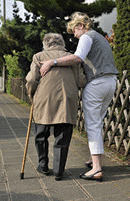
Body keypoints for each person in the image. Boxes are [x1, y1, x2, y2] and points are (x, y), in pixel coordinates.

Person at [39, 12, 119, 182]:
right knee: (99, 120)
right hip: (111, 81)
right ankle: (93, 159)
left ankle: (97, 168)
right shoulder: (100, 37)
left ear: (81, 26)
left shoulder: (87, 37)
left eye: (74, 30)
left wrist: (51, 62)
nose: (73, 35)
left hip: (96, 83)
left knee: (92, 124)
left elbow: (77, 58)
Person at [26, 33, 87, 181]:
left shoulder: (38, 57)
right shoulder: (73, 58)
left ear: (45, 44)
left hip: (44, 101)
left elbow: (32, 79)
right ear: (62, 43)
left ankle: (43, 166)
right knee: (62, 138)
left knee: (41, 135)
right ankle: (59, 171)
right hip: (66, 100)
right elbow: (81, 81)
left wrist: (30, 94)